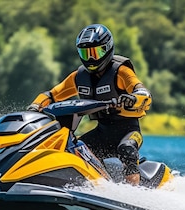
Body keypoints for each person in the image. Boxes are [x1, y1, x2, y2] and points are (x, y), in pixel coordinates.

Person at [27, 24, 152, 185]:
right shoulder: (79, 77)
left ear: (107, 48)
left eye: (95, 52)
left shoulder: (121, 71)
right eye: (85, 53)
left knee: (126, 149)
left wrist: (133, 98)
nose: (90, 59)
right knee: (73, 148)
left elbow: (143, 92)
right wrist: (35, 106)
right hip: (102, 132)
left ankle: (134, 195)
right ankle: (85, 187)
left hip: (128, 131)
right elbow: (52, 94)